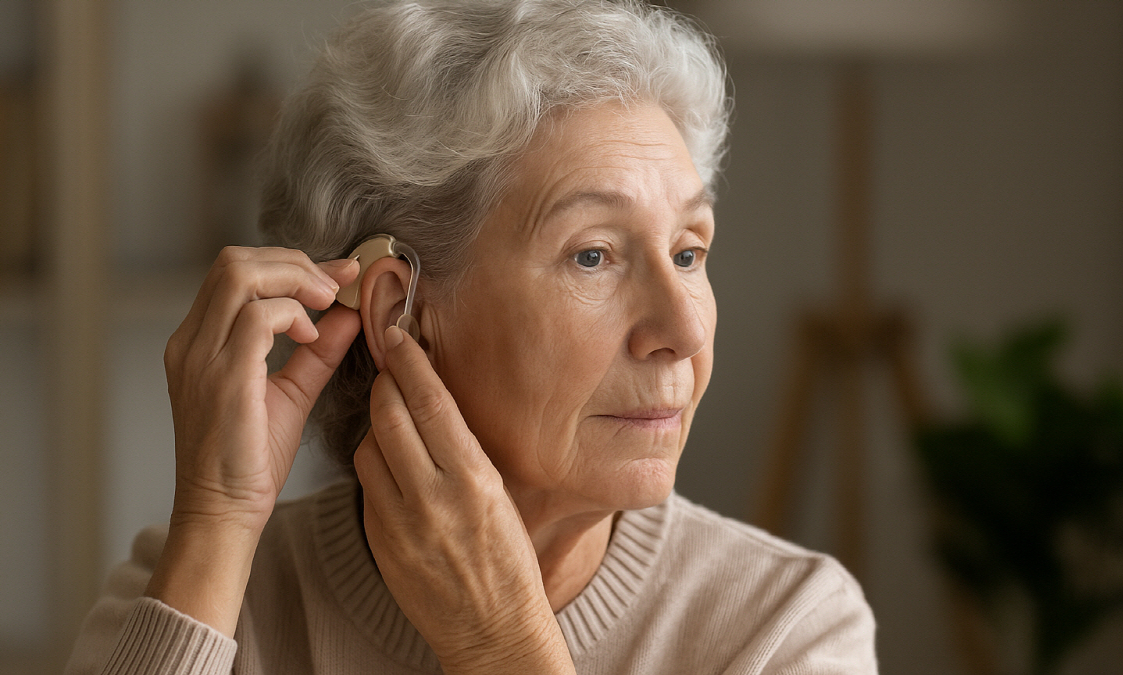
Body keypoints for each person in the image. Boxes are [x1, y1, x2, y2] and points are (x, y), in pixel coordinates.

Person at [65, 1, 878, 673]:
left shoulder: (789, 627)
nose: (683, 328)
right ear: (397, 310)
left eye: (688, 252)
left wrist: (502, 646)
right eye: (593, 255)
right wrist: (217, 520)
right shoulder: (197, 595)